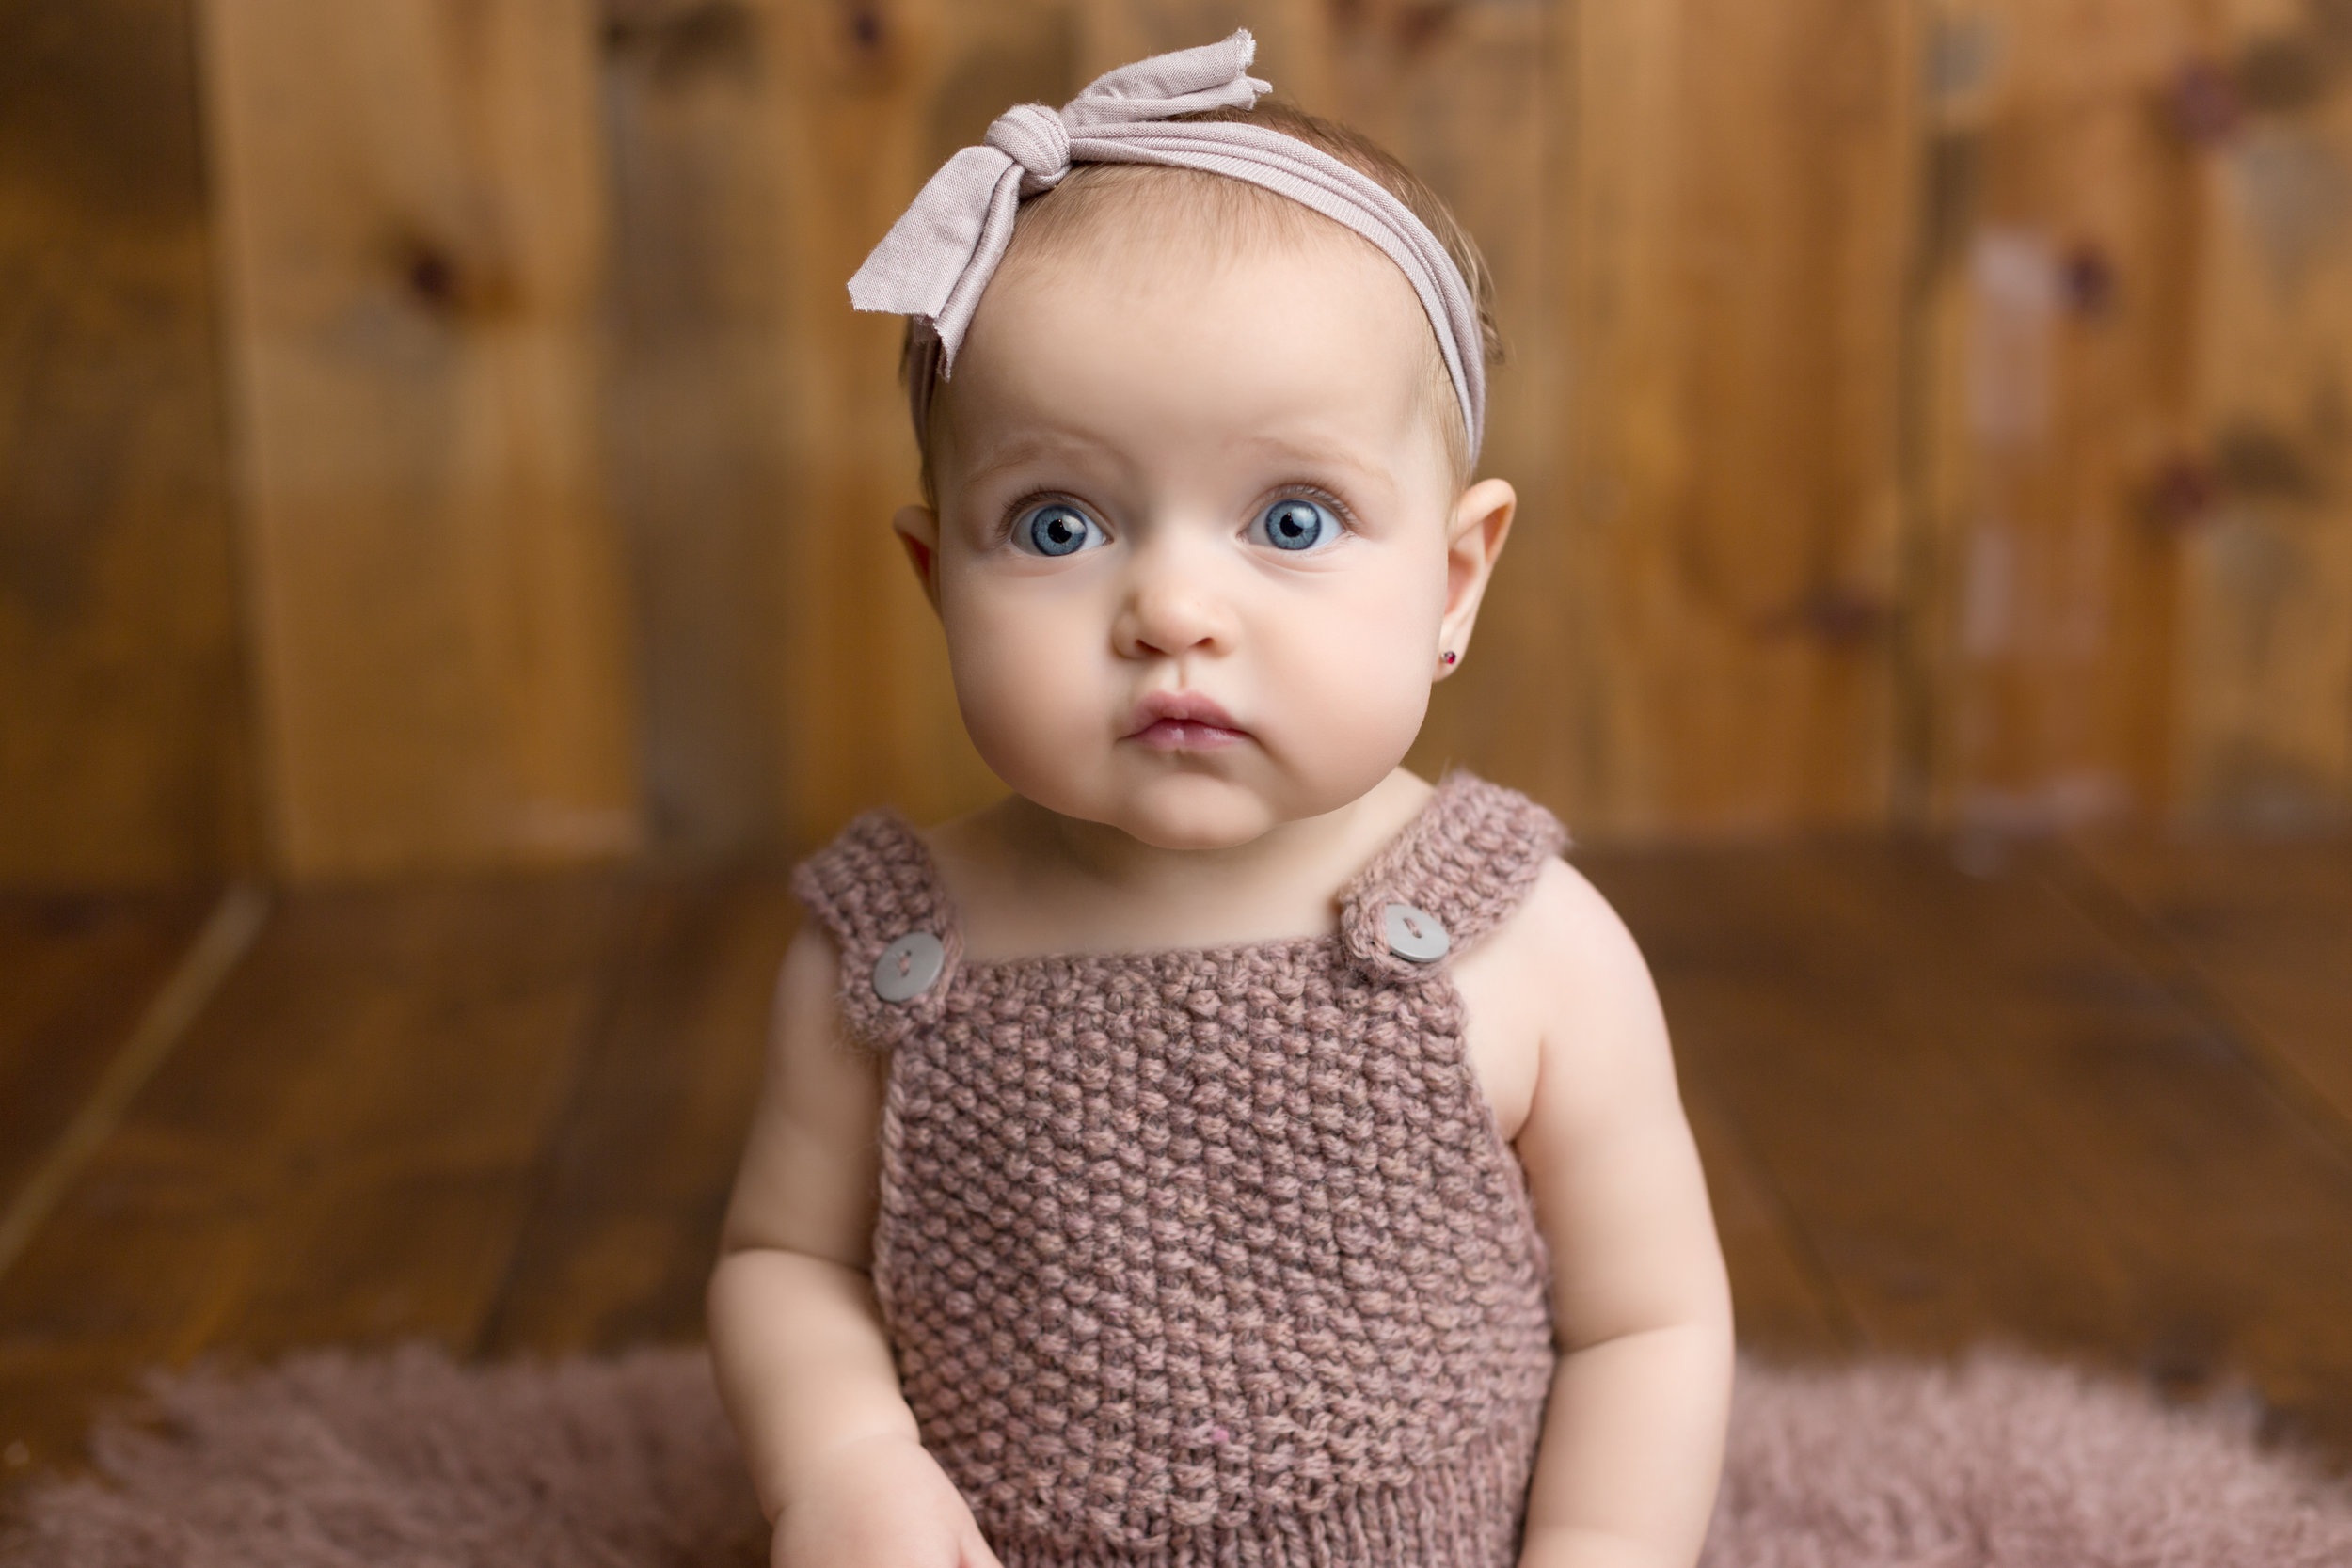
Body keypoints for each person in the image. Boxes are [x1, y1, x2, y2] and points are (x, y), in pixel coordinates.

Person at [707, 31, 1733, 1568]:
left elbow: (1648, 1321)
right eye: (1057, 525)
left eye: (1293, 516)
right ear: (938, 583)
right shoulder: (890, 958)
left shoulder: (1525, 941)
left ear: (1455, 581)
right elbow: (787, 1263)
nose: (1173, 606)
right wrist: (849, 1472)